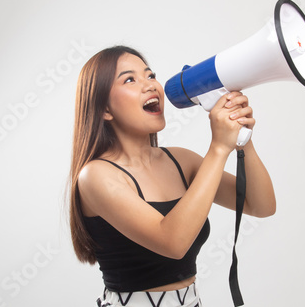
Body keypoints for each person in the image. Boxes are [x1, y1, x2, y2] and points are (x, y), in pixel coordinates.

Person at [68, 45, 276, 307]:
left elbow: (260, 205)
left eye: (150, 75)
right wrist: (219, 148)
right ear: (104, 109)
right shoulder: (95, 176)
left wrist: (242, 138)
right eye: (130, 79)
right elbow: (173, 243)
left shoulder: (181, 160)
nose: (150, 85)